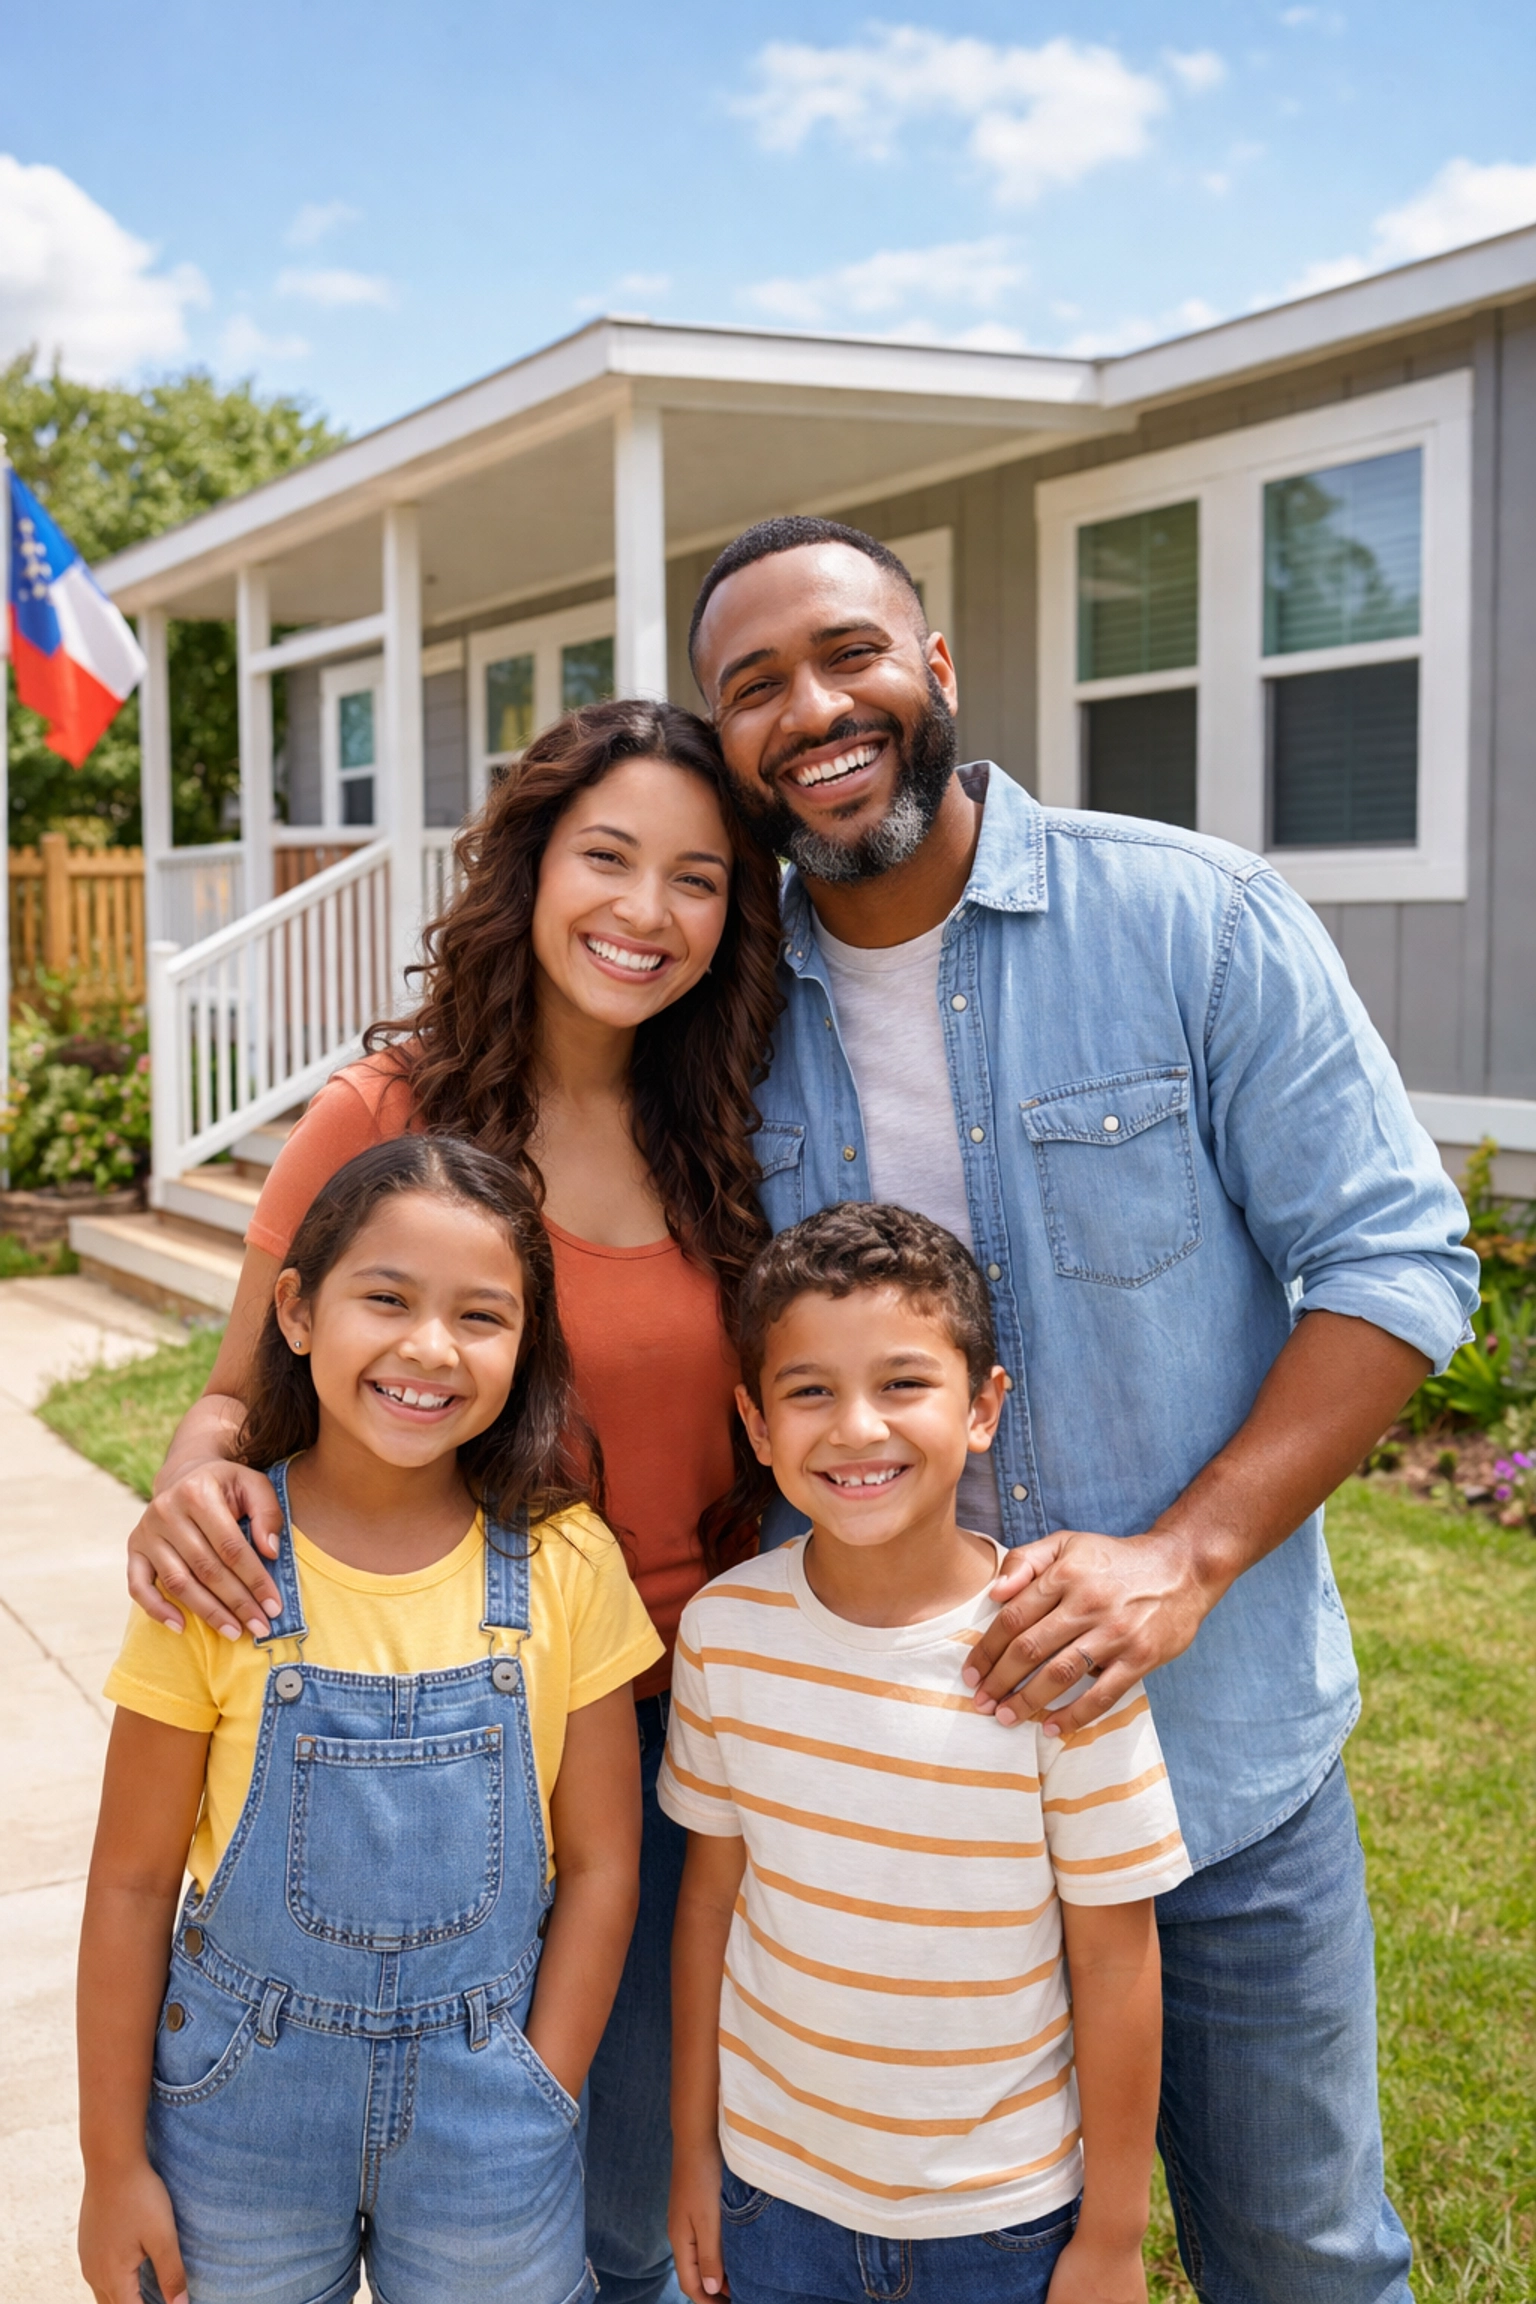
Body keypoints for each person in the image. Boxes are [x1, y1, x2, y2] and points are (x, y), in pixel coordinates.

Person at [686, 516, 1482, 2303]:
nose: (813, 710)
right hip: (888, 1838)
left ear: (938, 668)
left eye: (849, 655)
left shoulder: (1189, 915)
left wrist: (1184, 1556)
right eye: (754, 687)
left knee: (1305, 2258)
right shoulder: (718, 1013)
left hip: (1211, 1773)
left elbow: (1398, 1256)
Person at [120, 700, 784, 2304]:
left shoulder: (728, 1137)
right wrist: (189, 1485)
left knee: (611, 2219)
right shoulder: (379, 1111)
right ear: (529, 865)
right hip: (398, 1700)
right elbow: (238, 1390)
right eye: (607, 857)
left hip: (666, 1733)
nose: (645, 911)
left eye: (697, 878)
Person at [78, 1135, 664, 2304]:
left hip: (486, 2111)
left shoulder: (565, 1562)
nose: (428, 1349)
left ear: (526, 1345)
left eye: (481, 1317)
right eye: (385, 1298)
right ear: (295, 1312)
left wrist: (543, 2080)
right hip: (237, 2112)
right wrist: (109, 2164)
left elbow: (603, 1864)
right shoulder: (222, 1567)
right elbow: (134, 1884)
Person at [664, 1203, 1190, 2304]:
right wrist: (692, 2156)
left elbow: (1114, 1956)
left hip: (1000, 2223)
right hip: (774, 2199)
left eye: (903, 1383)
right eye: (810, 1391)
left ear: (983, 1408)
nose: (857, 1427)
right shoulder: (724, 1631)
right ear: (756, 1426)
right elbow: (710, 1905)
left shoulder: (1052, 1652)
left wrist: (1113, 2234)